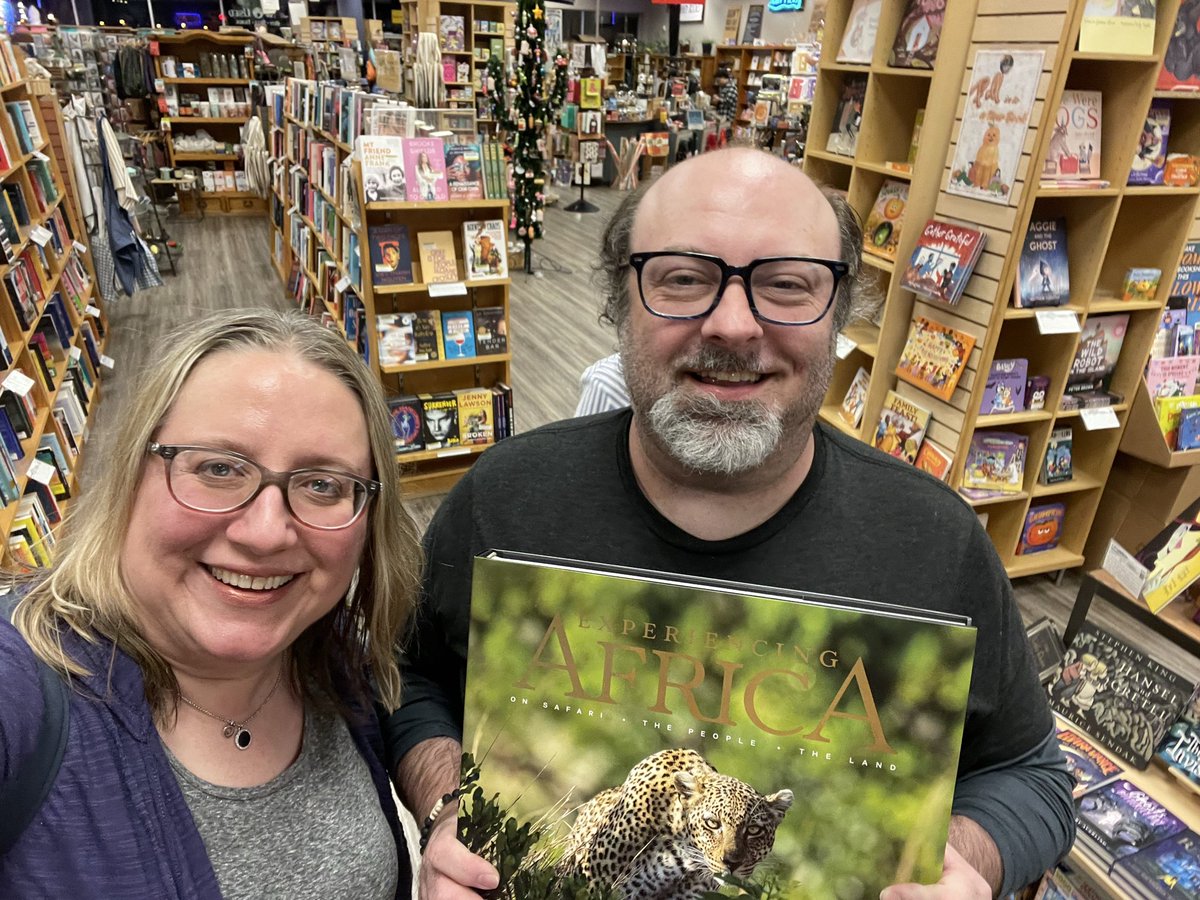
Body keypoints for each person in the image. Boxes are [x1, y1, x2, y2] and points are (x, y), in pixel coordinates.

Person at [388, 148, 1075, 899]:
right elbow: (409, 679)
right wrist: (449, 807)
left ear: (840, 315)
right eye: (683, 278)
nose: (734, 324)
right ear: (621, 300)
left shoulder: (933, 539)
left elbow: (1032, 776)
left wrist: (965, 864)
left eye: (785, 285)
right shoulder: (506, 497)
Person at [1, 310, 423, 899]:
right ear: (130, 474)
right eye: (219, 468)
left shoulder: (330, 659)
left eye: (323, 484)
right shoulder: (19, 695)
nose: (266, 532)